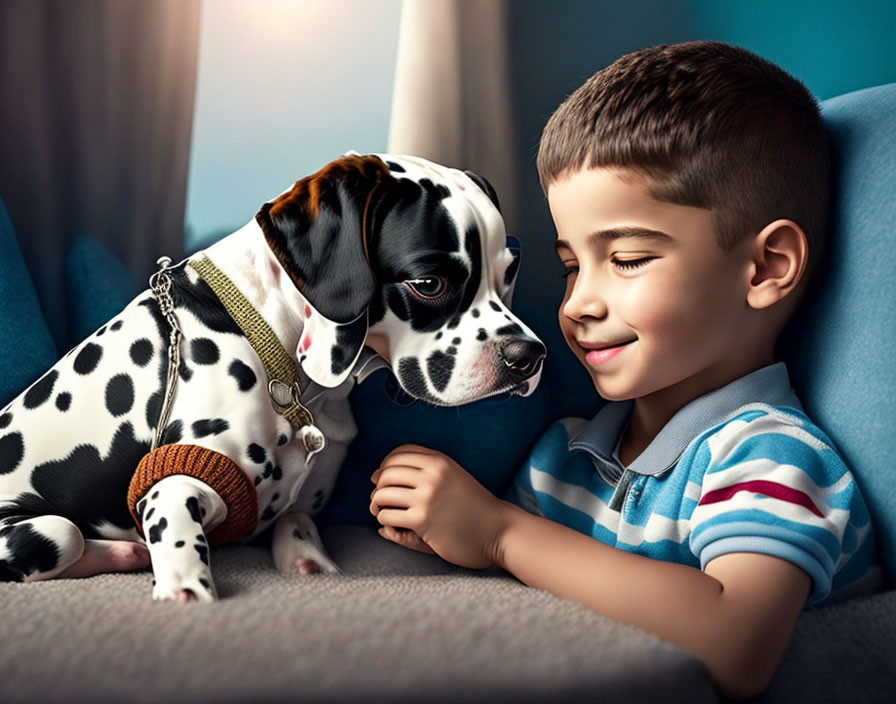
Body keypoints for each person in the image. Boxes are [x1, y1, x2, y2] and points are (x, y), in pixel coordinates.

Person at [368, 41, 878, 699]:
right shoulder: (564, 456)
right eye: (572, 265)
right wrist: (444, 521)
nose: (578, 303)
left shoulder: (771, 457)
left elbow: (737, 642)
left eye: (629, 259)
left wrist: (498, 532)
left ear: (766, 268)